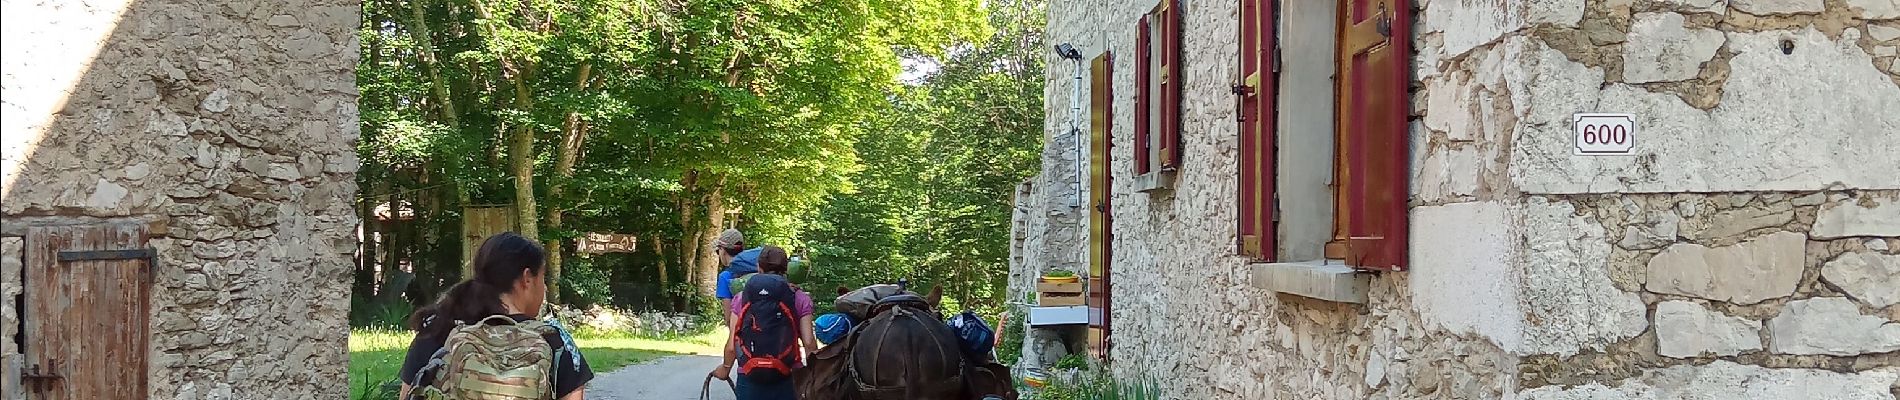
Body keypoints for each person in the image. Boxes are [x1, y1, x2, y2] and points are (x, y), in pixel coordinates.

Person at [397, 232, 593, 400]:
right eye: (542, 278)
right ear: (527, 279)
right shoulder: (555, 341)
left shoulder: (437, 330)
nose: (545, 288)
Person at [711, 246, 819, 400]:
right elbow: (808, 342)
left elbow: (732, 345)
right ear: (786, 269)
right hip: (788, 376)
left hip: (750, 376)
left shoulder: (742, 297)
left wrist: (725, 369)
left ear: (758, 267)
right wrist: (813, 375)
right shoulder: (800, 298)